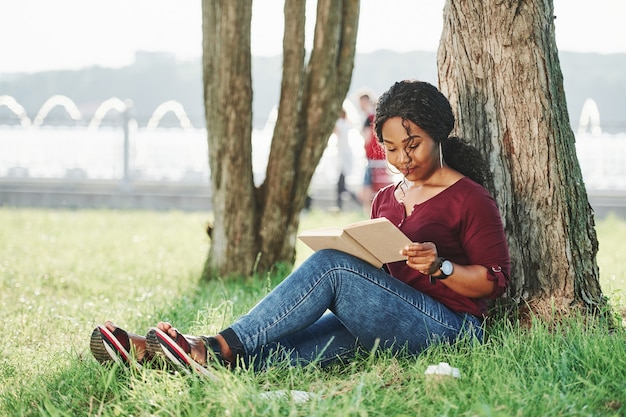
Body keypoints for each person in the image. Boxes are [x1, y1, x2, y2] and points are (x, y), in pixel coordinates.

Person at [90, 80, 511, 376]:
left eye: (413, 143)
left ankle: (213, 345)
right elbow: (384, 272)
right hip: (385, 317)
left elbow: (494, 282)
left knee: (331, 265)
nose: (402, 158)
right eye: (392, 148)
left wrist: (441, 267)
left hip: (451, 329)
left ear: (436, 135)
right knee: (289, 348)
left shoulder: (469, 197)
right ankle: (165, 356)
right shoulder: (387, 198)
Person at [359, 93, 392, 214]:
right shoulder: (384, 119)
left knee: (366, 193)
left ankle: (368, 217)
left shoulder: (369, 119)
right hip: (384, 160)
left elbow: (367, 138)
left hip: (372, 160)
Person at [334, 108, 361, 210]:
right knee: (341, 185)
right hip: (346, 156)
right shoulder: (346, 124)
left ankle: (356, 202)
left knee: (341, 186)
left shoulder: (340, 123)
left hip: (343, 157)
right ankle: (340, 206)